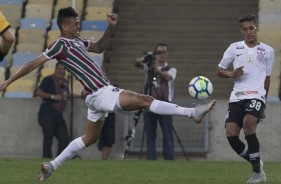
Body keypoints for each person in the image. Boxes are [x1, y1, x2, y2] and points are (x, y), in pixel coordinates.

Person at [0, 7, 216, 181]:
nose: (78, 26)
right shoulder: (60, 44)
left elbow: (100, 47)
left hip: (94, 98)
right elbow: (33, 63)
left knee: (89, 138)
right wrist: (9, 81)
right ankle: (192, 112)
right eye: (75, 23)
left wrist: (110, 28)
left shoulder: (78, 41)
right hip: (100, 92)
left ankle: (51, 166)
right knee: (145, 100)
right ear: (64, 26)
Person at [217, 13, 274, 183]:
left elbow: (267, 78)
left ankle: (257, 174)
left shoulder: (267, 50)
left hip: (256, 95)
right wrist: (231, 74)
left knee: (249, 126)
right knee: (231, 134)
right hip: (237, 96)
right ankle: (256, 162)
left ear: (257, 28)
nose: (249, 32)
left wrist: (263, 103)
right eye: (245, 29)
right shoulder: (234, 48)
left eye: (251, 28)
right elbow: (219, 70)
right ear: (241, 31)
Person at [135, 43, 176, 160]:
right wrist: (145, 58)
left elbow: (167, 77)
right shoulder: (148, 67)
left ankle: (169, 159)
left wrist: (155, 69)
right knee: (150, 135)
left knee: (167, 134)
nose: (161, 55)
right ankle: (151, 159)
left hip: (165, 106)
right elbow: (136, 63)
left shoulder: (172, 69)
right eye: (158, 52)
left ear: (167, 54)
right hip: (149, 105)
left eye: (164, 52)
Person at [35, 61, 70, 158]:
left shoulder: (65, 82)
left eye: (64, 69)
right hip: (47, 114)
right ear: (55, 69)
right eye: (60, 68)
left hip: (58, 115)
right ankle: (47, 160)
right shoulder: (48, 79)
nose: (62, 71)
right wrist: (53, 96)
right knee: (48, 138)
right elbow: (38, 92)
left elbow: (66, 95)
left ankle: (59, 160)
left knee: (64, 138)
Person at [97, 66, 116, 160]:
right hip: (97, 113)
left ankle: (104, 160)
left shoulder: (112, 85)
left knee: (108, 138)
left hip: (109, 114)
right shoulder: (93, 84)